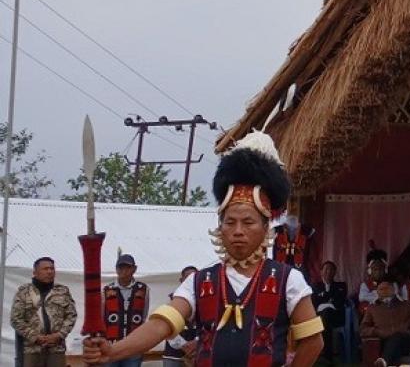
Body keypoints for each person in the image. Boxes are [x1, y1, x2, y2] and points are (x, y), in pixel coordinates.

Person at [82, 131, 324, 366]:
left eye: (248, 222)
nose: (238, 230)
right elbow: (160, 325)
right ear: (220, 228)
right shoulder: (199, 281)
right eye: (230, 222)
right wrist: (113, 351)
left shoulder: (288, 279)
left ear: (265, 227)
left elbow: (313, 342)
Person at [10, 256, 76, 367]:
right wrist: (35, 337)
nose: (50, 272)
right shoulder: (24, 292)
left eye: (52, 269)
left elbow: (71, 316)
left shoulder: (62, 291)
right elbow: (16, 319)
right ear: (35, 272)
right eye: (45, 269)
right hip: (32, 349)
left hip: (56, 348)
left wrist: (59, 335)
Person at [359, 278, 410, 366]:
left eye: (387, 288)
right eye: (381, 289)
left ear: (393, 290)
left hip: (404, 340)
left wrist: (407, 324)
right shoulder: (372, 308)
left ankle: (383, 361)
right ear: (377, 292)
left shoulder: (405, 304)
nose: (384, 291)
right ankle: (385, 362)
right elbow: (363, 329)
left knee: (396, 337)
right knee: (391, 348)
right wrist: (377, 331)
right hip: (383, 341)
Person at [103, 253, 149, 367]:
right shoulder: (107, 290)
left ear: (134, 269)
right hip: (111, 345)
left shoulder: (143, 289)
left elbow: (143, 316)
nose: (124, 270)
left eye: (127, 267)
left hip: (134, 345)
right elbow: (102, 317)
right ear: (116, 269)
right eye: (120, 267)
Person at [311, 260, 348, 366]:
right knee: (325, 316)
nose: (329, 272)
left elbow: (339, 302)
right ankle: (328, 355)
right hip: (319, 317)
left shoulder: (341, 285)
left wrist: (323, 299)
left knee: (326, 314)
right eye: (326, 269)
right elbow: (314, 303)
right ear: (321, 272)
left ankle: (323, 354)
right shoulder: (315, 286)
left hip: (336, 317)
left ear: (335, 272)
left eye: (331, 269)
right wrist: (329, 300)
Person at [162, 265, 198, 367]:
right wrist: (184, 346)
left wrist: (196, 342)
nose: (190, 281)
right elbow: (166, 327)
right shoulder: (172, 300)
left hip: (197, 354)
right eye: (187, 278)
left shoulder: (206, 299)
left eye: (194, 278)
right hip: (173, 355)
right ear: (181, 280)